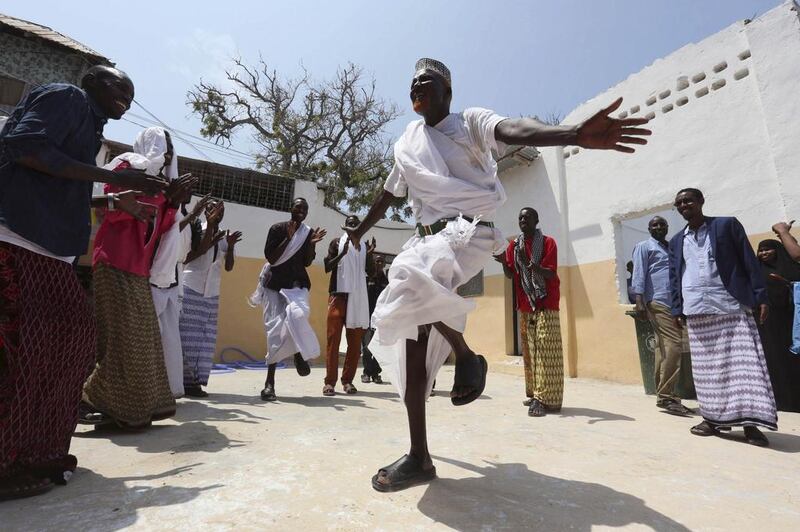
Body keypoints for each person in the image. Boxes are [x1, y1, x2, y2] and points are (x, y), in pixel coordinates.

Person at [343, 57, 650, 492]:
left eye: (426, 81)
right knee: (412, 346)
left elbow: (513, 129)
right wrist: (359, 229)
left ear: (448, 92)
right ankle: (420, 456)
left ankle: (465, 355)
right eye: (412, 82)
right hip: (425, 240)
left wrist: (574, 134)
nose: (417, 86)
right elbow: (387, 193)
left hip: (467, 233)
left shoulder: (469, 122)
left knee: (408, 280)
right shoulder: (409, 141)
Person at [0, 66, 165, 499]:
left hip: (49, 249)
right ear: (92, 82)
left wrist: (112, 198)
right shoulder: (67, 98)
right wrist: (116, 179)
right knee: (26, 355)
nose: (126, 99)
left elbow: (60, 180)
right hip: (17, 240)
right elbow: (24, 148)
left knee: (70, 345)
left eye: (131, 94)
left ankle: (40, 453)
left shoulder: (89, 126)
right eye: (119, 89)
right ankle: (8, 461)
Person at [82, 127, 197, 428]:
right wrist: (158, 198)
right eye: (164, 147)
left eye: (171, 151)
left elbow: (158, 229)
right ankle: (90, 399)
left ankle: (138, 405)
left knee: (144, 339)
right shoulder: (126, 166)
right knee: (123, 339)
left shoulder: (161, 186)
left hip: (139, 269)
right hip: (114, 260)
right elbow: (111, 209)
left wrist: (170, 203)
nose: (167, 155)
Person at [669, 188, 776, 446]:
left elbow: (748, 260)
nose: (684, 205)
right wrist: (676, 308)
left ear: (701, 202)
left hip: (731, 305)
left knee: (745, 368)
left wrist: (760, 296)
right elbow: (674, 276)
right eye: (680, 203)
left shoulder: (726, 226)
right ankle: (712, 419)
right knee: (707, 370)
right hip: (696, 309)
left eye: (689, 200)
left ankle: (751, 424)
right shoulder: (676, 241)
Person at [253, 198, 326, 401]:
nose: (301, 210)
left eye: (305, 208)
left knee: (298, 315)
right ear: (291, 208)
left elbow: (307, 262)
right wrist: (289, 238)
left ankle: (298, 352)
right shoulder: (277, 229)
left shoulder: (307, 233)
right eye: (298, 207)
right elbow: (272, 259)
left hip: (296, 284)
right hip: (275, 285)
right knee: (274, 333)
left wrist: (310, 245)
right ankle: (270, 383)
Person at [495, 208, 563, 417]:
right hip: (525, 304)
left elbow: (550, 273)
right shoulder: (514, 246)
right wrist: (502, 262)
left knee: (546, 351)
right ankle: (535, 394)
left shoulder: (548, 242)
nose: (522, 220)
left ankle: (545, 399)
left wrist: (530, 263)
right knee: (531, 352)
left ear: (536, 220)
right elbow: (510, 274)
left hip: (545, 303)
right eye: (520, 217)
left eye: (527, 217)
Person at [180, 200, 242, 398]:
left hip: (212, 292)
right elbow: (188, 258)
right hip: (191, 287)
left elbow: (229, 266)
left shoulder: (225, 235)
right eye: (212, 208)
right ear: (206, 211)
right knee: (187, 338)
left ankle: (196, 382)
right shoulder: (197, 229)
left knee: (205, 340)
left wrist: (230, 247)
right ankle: (184, 383)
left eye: (220, 210)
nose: (216, 212)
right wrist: (210, 239)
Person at [632, 216, 692, 415]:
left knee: (662, 348)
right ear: (649, 229)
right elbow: (639, 274)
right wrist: (639, 302)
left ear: (667, 227)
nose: (658, 227)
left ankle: (662, 394)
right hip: (657, 302)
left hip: (673, 303)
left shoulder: (670, 247)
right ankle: (667, 396)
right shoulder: (644, 246)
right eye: (654, 225)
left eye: (662, 224)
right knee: (674, 344)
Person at [323, 215, 375, 396]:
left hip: (358, 299)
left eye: (356, 224)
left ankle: (347, 381)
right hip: (339, 297)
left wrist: (369, 255)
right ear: (345, 227)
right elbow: (327, 267)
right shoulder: (337, 243)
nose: (353, 227)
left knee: (354, 345)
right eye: (350, 224)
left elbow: (372, 273)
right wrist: (342, 254)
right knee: (333, 341)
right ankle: (329, 383)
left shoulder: (364, 248)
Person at [756, 239, 800, 412]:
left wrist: (788, 284)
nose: (764, 253)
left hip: (791, 320)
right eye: (761, 250)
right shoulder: (757, 272)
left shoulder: (791, 268)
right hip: (768, 324)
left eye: (768, 250)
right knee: (773, 360)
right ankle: (779, 401)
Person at [361, 254, 388, 384]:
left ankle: (375, 373)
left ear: (384, 265)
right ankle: (366, 372)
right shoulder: (366, 279)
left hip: (381, 319)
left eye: (381, 262)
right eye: (376, 261)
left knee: (379, 347)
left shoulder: (387, 282)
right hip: (366, 318)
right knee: (366, 347)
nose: (378, 264)